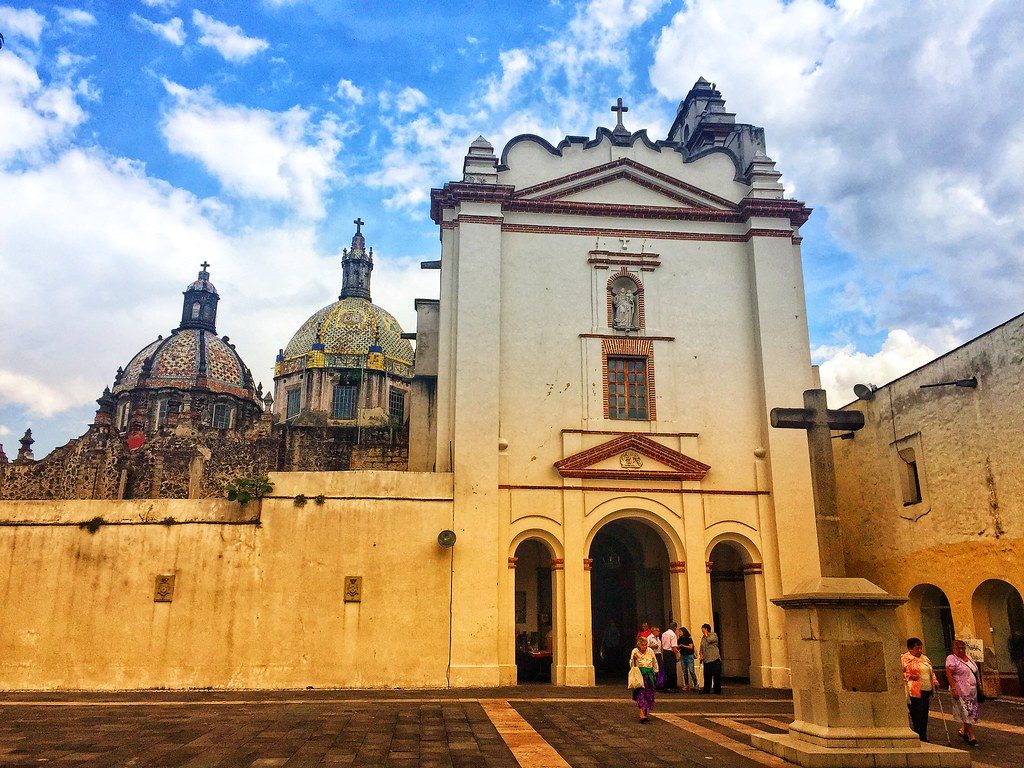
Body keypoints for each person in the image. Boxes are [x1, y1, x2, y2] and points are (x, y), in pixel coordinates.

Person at [901, 637, 939, 742]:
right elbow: (900, 673)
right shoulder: (905, 658)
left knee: (924, 713)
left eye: (920, 648)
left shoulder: (925, 658)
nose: (919, 651)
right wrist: (909, 676)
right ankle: (918, 734)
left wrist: (935, 681)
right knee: (917, 712)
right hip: (914, 690)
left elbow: (930, 671)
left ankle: (923, 734)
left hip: (926, 689)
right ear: (910, 649)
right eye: (917, 648)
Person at [946, 639, 981, 746]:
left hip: (972, 691)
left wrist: (979, 684)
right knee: (966, 712)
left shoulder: (969, 658)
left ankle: (963, 731)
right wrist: (953, 688)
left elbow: (975, 671)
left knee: (971, 712)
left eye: (962, 648)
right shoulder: (951, 659)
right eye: (958, 648)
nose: (961, 650)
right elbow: (949, 674)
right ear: (953, 649)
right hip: (961, 690)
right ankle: (971, 736)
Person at [629, 635, 659, 722]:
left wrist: (656, 671)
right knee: (640, 693)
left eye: (646, 645)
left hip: (649, 674)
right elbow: (631, 665)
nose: (644, 647)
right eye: (643, 645)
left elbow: (654, 662)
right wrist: (634, 660)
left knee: (648, 694)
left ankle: (645, 711)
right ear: (638, 645)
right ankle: (642, 712)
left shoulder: (650, 651)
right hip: (640, 675)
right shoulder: (635, 651)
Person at [699, 623, 722, 694]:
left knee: (716, 675)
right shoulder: (703, 637)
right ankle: (707, 689)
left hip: (714, 658)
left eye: (703, 629)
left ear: (706, 629)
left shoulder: (713, 635)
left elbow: (710, 640)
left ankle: (717, 690)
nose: (702, 631)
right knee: (707, 675)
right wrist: (701, 654)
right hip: (706, 659)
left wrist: (706, 634)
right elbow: (702, 646)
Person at [678, 626, 697, 691]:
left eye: (680, 631)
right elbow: (677, 647)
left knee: (691, 671)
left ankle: (696, 684)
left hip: (689, 656)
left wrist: (683, 646)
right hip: (683, 656)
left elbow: (691, 647)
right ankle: (687, 685)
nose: (679, 633)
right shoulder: (679, 639)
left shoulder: (689, 639)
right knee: (685, 671)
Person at [661, 622, 679, 691]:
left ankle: (667, 685)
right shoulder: (673, 635)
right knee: (672, 670)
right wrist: (677, 655)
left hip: (665, 652)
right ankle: (672, 686)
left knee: (667, 670)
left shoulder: (664, 634)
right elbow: (673, 647)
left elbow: (662, 645)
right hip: (670, 653)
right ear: (675, 628)